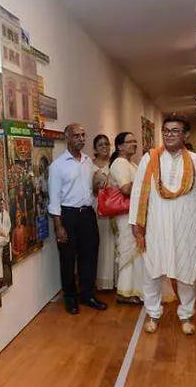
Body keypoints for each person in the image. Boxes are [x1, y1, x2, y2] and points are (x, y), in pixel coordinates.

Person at [130, 115, 196, 335]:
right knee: (152, 270)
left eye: (175, 131)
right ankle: (153, 313)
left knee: (186, 271)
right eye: (166, 131)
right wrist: (135, 223)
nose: (169, 135)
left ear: (185, 135)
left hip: (186, 226)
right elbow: (138, 192)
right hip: (155, 225)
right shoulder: (149, 159)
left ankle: (186, 315)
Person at [48, 123, 106, 314]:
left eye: (83, 135)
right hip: (68, 216)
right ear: (67, 137)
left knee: (90, 255)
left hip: (87, 215)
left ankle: (87, 295)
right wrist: (59, 227)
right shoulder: (57, 166)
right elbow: (54, 199)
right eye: (76, 135)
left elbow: (91, 189)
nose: (81, 139)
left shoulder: (88, 162)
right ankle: (70, 298)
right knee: (67, 258)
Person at [108, 132, 143, 304]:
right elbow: (126, 189)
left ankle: (134, 289)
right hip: (124, 214)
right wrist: (145, 186)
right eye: (129, 141)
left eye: (135, 141)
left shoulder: (132, 163)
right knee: (128, 251)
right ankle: (124, 292)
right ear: (120, 146)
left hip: (133, 213)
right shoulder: (120, 163)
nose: (134, 144)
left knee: (136, 251)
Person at [91, 134, 115, 292]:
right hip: (95, 207)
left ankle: (111, 279)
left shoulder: (114, 163)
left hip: (111, 207)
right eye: (100, 145)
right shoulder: (89, 165)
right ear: (95, 149)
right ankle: (99, 279)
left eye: (106, 144)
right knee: (97, 243)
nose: (104, 147)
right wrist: (96, 185)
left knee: (110, 242)